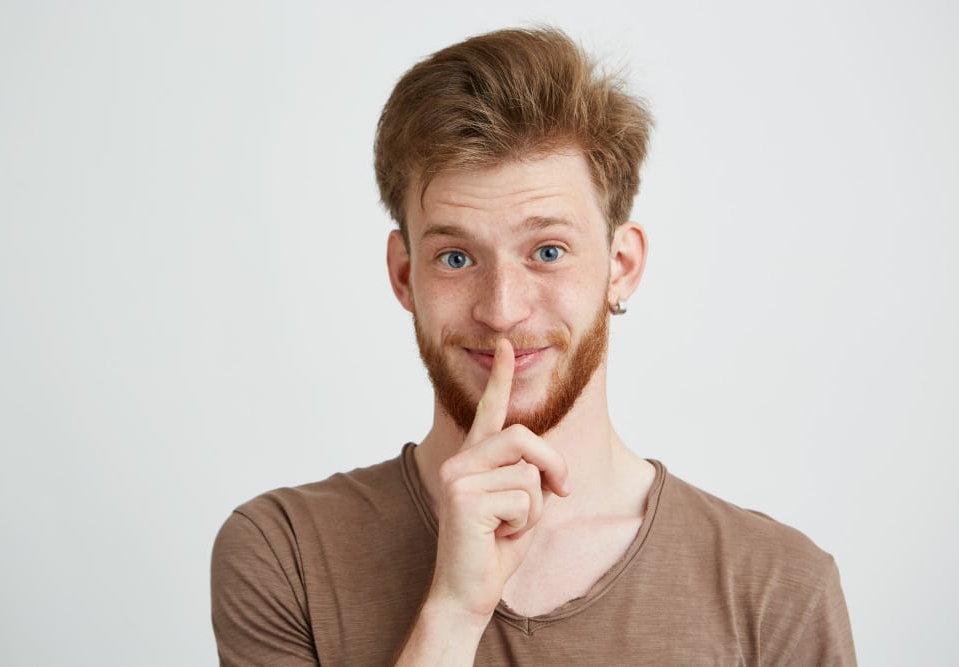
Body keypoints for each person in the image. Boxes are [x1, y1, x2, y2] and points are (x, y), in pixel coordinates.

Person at [211, 27, 856, 666]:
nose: (501, 310)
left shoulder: (778, 586)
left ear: (621, 265)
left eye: (548, 251)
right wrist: (453, 613)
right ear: (405, 275)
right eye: (456, 257)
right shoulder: (284, 551)